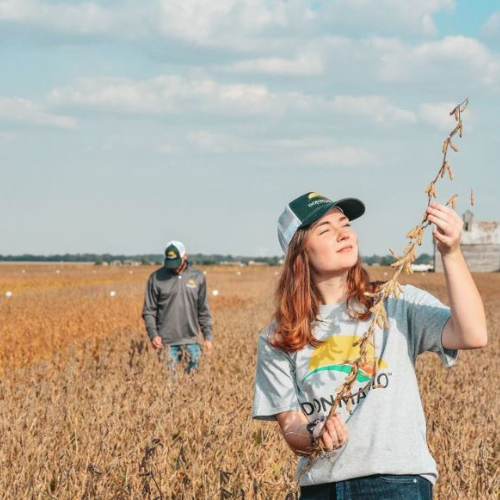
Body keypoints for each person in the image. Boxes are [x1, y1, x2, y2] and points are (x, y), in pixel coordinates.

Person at [252, 192, 487, 499]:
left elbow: (473, 335)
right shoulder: (279, 335)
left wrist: (452, 253)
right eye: (324, 230)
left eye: (345, 224)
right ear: (300, 254)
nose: (343, 233)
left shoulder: (395, 302)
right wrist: (314, 434)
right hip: (321, 487)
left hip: (396, 483)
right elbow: (291, 425)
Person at [142, 240, 213, 374]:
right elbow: (149, 311)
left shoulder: (197, 277)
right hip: (166, 343)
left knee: (193, 385)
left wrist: (208, 337)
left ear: (185, 256)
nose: (173, 267)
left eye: (176, 262)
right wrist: (153, 335)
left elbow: (203, 309)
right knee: (168, 387)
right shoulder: (156, 278)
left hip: (191, 341)